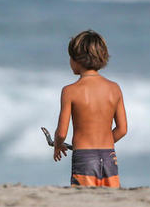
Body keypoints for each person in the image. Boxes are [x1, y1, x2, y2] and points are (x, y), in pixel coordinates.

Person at [51, 30, 127, 187]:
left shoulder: (70, 91)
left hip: (84, 157)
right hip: (109, 156)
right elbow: (122, 129)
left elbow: (62, 133)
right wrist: (102, 142)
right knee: (110, 200)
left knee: (85, 201)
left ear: (76, 60)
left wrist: (58, 145)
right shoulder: (114, 88)